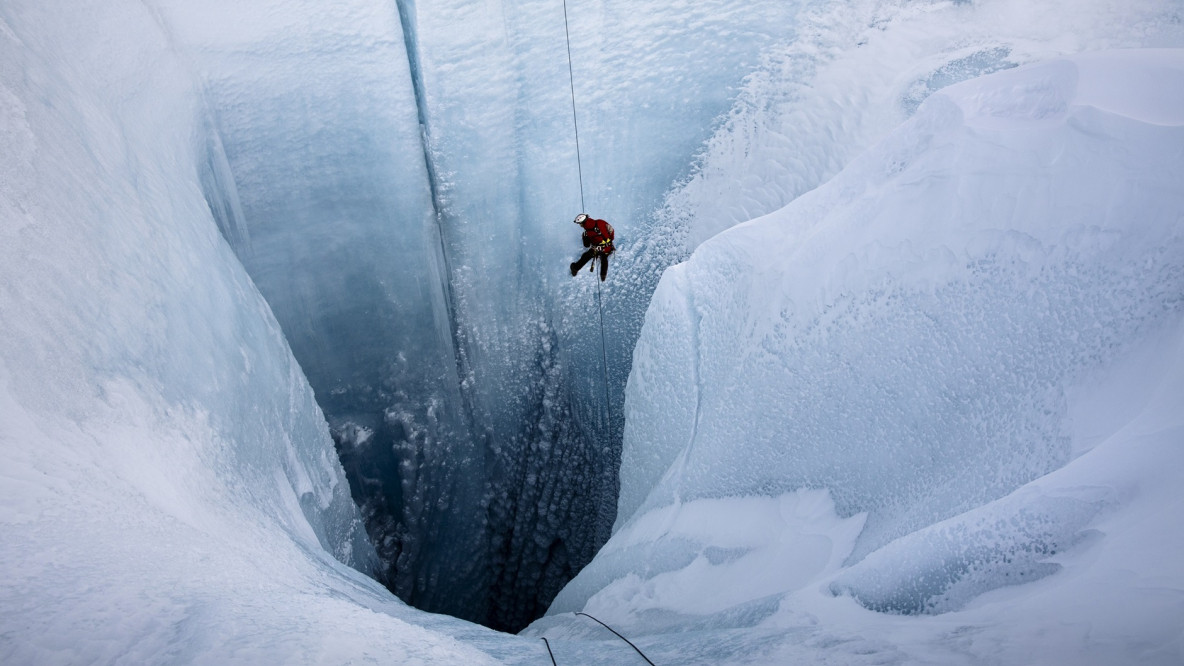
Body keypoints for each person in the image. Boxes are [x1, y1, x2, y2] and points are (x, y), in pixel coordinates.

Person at [569, 213, 615, 281]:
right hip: (608, 247)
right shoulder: (600, 221)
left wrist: (584, 237)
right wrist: (610, 239)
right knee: (604, 257)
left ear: (583, 223)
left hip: (596, 249)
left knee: (586, 256)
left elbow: (586, 245)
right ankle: (603, 276)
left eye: (580, 224)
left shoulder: (586, 233)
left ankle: (575, 268)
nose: (580, 225)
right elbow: (611, 230)